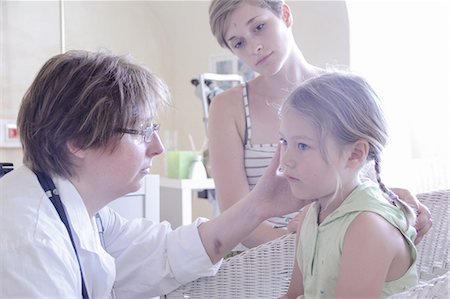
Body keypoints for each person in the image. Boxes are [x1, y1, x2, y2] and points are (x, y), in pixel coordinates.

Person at [0, 50, 304, 298]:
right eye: (143, 131)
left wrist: (258, 205)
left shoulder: (84, 212)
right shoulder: (30, 242)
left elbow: (166, 253)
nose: (158, 147)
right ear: (79, 141)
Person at [207, 0, 431, 248]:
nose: (255, 47)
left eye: (259, 27)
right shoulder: (228, 107)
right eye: (238, 43)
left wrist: (395, 199)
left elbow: (359, 185)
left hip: (337, 251)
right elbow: (237, 217)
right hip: (262, 261)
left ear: (285, 14)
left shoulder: (343, 91)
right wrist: (305, 248)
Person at [279, 72, 418, 298]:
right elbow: (294, 295)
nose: (285, 159)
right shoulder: (309, 216)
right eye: (284, 141)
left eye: (302, 146)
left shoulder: (367, 227)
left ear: (354, 154)